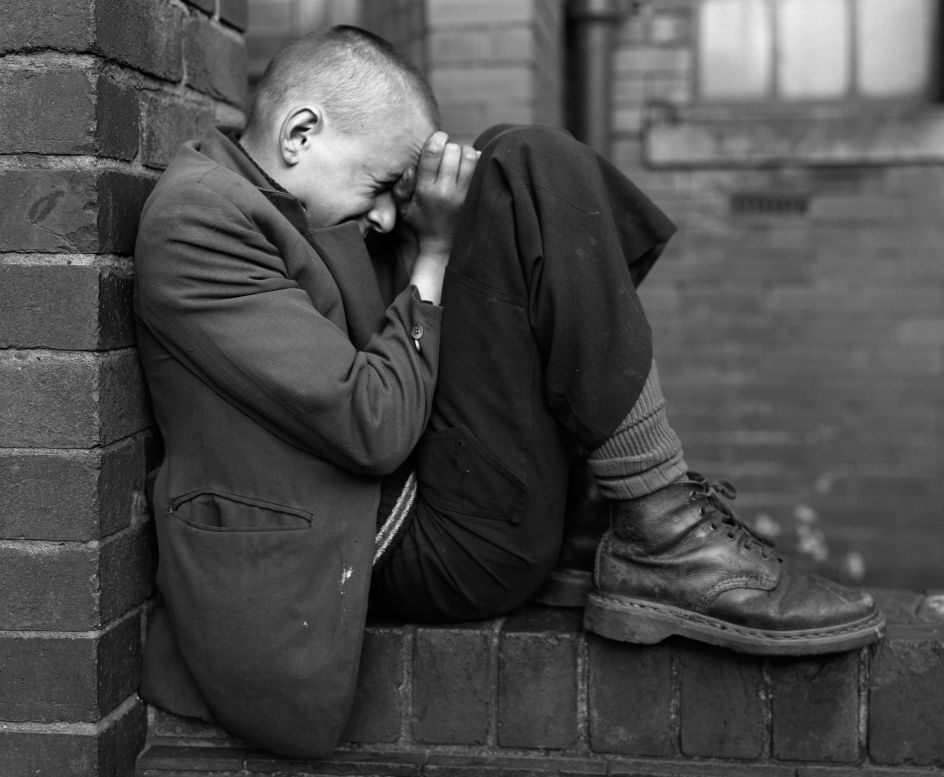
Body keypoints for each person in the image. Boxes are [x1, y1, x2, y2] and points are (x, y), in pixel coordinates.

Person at [133, 26, 885, 760]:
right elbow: (372, 422)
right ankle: (662, 530)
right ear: (300, 134)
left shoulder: (292, 198)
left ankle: (640, 517)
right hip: (374, 546)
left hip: (424, 497)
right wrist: (432, 254)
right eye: (382, 186)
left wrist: (449, 223)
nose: (387, 214)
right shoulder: (202, 218)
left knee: (509, 161)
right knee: (526, 162)